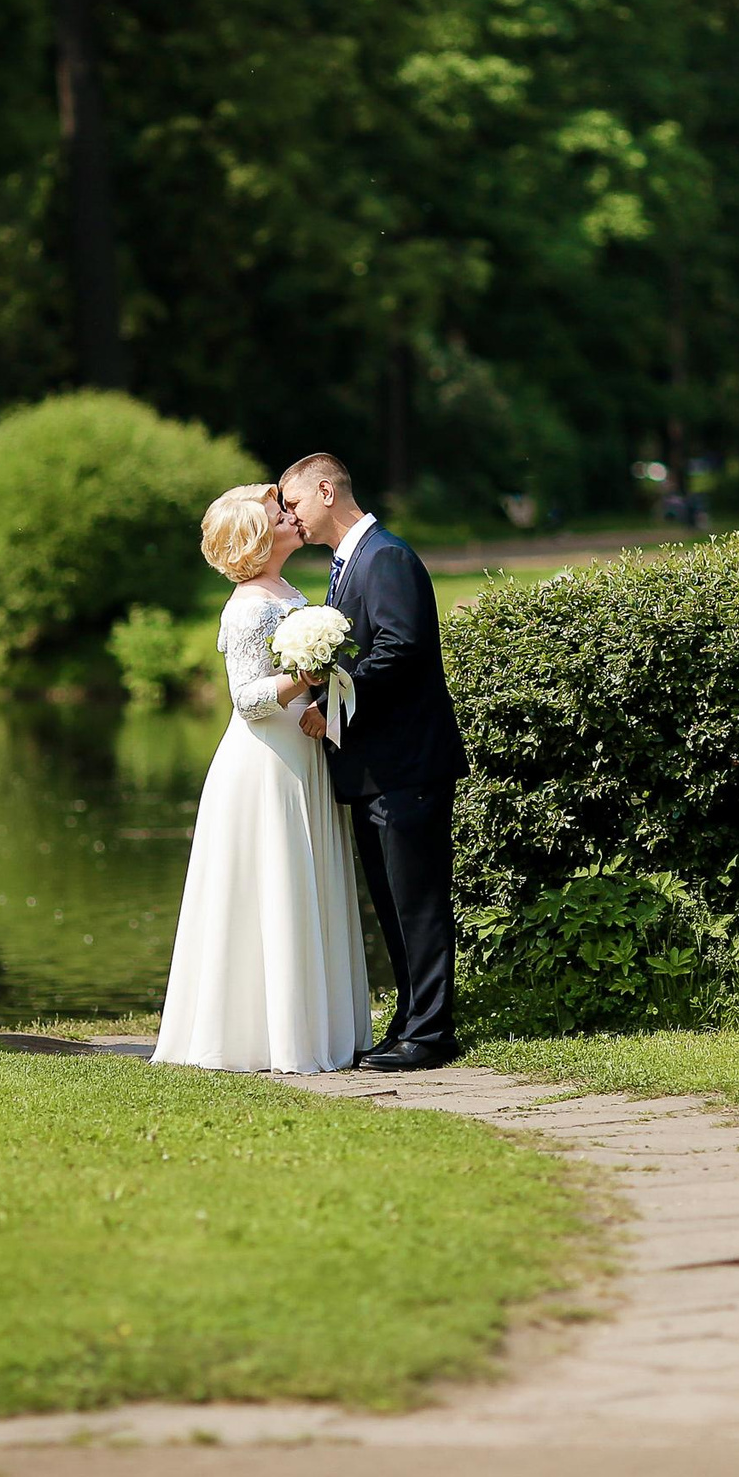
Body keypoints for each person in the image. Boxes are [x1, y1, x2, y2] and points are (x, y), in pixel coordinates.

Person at [149, 485, 373, 1073]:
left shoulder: (287, 591)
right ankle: (261, 1035)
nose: (291, 516)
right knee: (270, 885)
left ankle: (316, 1026)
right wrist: (307, 674)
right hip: (266, 763)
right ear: (255, 535)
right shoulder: (249, 606)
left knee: (304, 881)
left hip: (302, 753)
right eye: (279, 513)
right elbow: (248, 699)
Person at [278, 452, 468, 1071]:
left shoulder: (385, 557)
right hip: (374, 767)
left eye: (295, 504)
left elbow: (401, 648)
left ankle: (432, 1034)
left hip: (407, 762)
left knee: (418, 902)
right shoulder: (349, 563)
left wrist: (330, 700)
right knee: (392, 902)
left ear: (327, 492)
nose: (291, 517)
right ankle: (412, 1022)